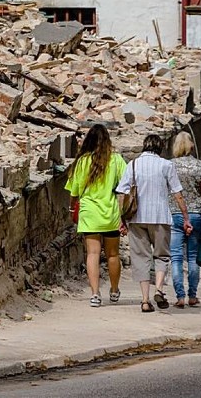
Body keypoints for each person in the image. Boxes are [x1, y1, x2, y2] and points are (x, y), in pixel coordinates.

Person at [116, 134, 192, 313]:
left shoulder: (132, 165)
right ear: (160, 147)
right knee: (162, 256)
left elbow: (121, 193)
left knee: (140, 258)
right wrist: (186, 217)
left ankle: (144, 300)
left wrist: (122, 219)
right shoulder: (166, 165)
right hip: (161, 218)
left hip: (136, 218)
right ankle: (159, 289)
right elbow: (177, 194)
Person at [65, 124, 127, 307]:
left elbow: (74, 192)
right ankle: (114, 290)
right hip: (110, 213)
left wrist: (71, 209)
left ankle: (95, 294)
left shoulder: (82, 162)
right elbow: (127, 183)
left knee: (92, 253)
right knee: (113, 254)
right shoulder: (116, 160)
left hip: (89, 213)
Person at [169, 131, 201, 308]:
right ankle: (192, 295)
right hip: (196, 214)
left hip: (174, 214)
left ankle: (179, 296)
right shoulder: (200, 166)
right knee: (192, 256)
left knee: (175, 257)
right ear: (191, 146)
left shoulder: (169, 166)